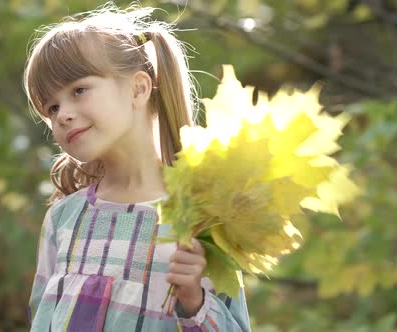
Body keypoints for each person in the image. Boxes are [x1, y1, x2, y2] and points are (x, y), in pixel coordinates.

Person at [23, 3, 251, 331]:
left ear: (138, 88)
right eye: (51, 106)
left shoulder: (201, 219)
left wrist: (194, 300)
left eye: (79, 90)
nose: (63, 114)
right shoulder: (63, 220)